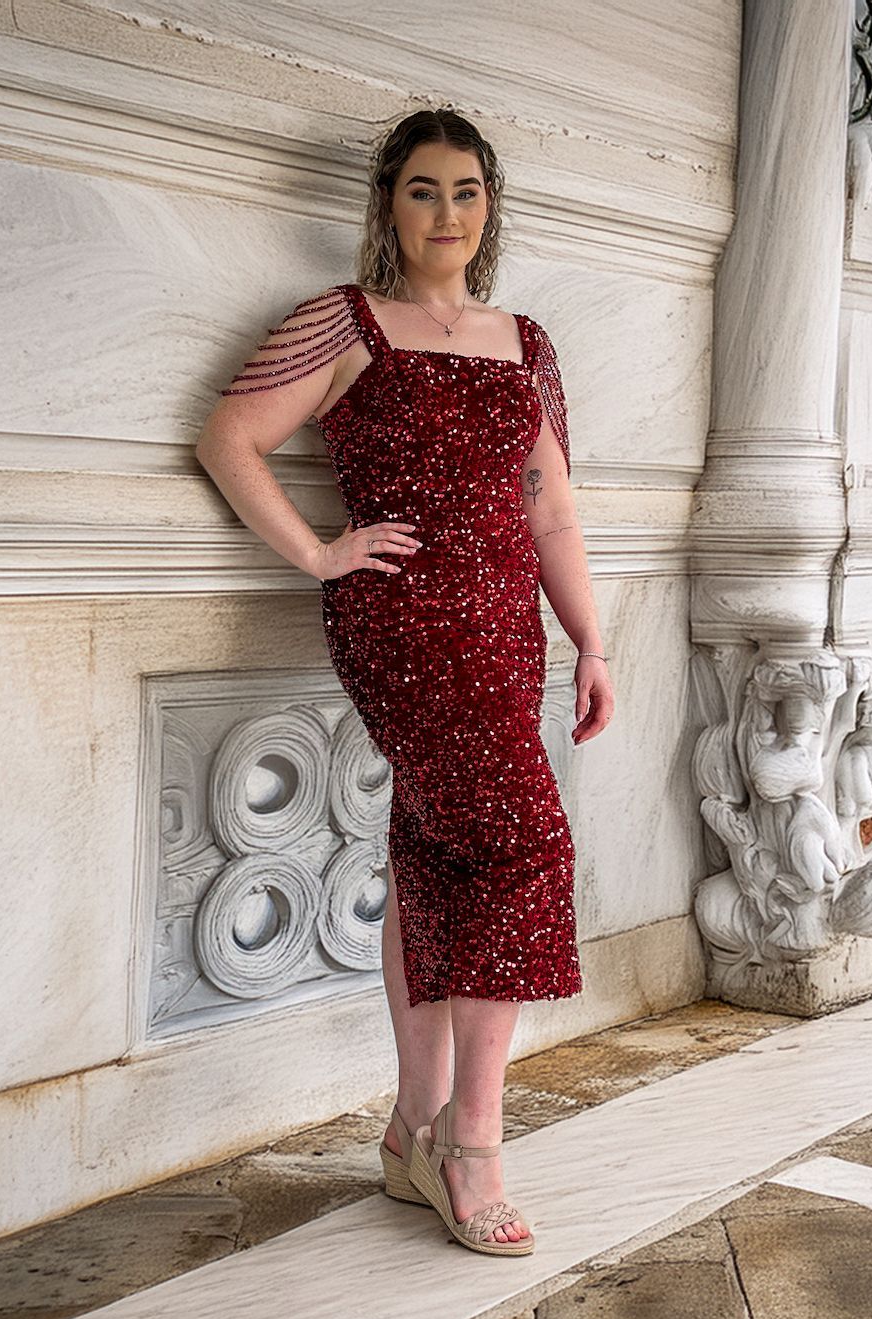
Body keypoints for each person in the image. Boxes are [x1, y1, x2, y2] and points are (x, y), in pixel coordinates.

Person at [195, 108, 613, 1256]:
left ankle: (410, 1128)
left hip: (507, 629)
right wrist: (322, 552)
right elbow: (230, 440)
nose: (446, 213)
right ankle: (470, 1142)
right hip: (405, 622)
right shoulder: (343, 322)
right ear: (389, 202)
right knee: (526, 846)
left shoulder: (525, 342)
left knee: (435, 852)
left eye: (466, 191)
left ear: (490, 205)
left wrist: (593, 641)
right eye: (423, 191)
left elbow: (551, 509)